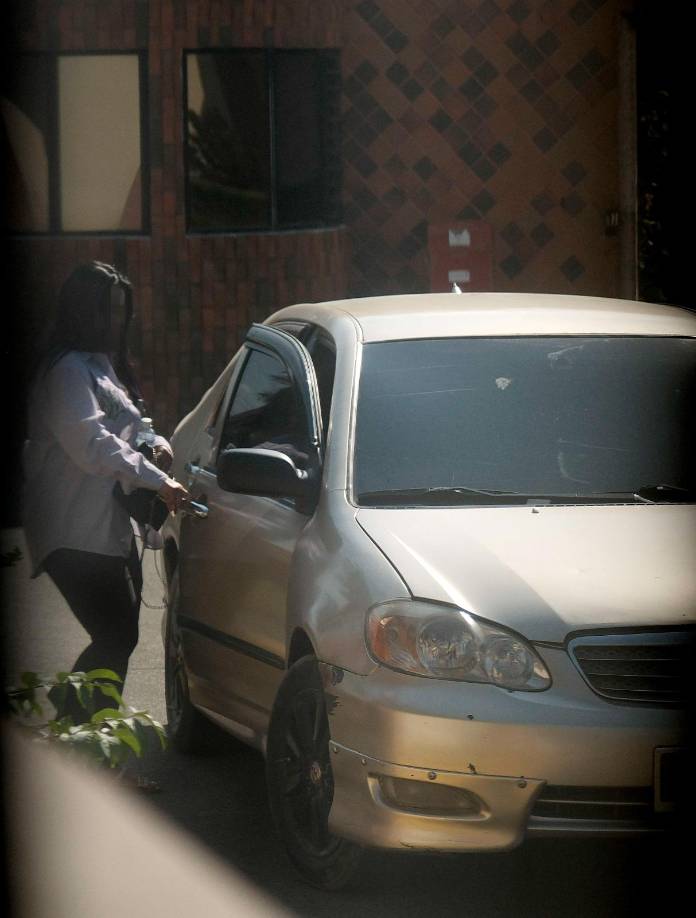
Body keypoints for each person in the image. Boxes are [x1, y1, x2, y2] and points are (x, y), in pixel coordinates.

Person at [22, 261, 188, 728]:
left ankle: (92, 741)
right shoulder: (65, 372)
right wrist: (158, 481)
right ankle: (73, 739)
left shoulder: (100, 365)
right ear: (82, 311)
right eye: (108, 310)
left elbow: (131, 426)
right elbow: (92, 444)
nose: (117, 321)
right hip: (72, 530)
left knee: (120, 637)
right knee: (115, 635)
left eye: (121, 311)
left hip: (108, 527)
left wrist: (156, 443)